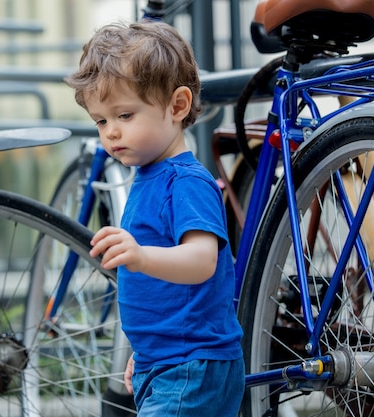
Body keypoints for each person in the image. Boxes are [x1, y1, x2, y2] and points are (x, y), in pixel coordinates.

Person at [65, 21, 244, 416]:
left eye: (125, 115)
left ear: (177, 106)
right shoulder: (150, 176)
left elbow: (202, 262)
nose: (110, 132)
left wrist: (140, 255)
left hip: (192, 364)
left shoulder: (186, 182)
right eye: (101, 121)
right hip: (167, 360)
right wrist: (145, 351)